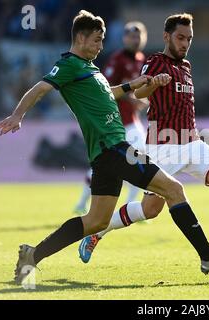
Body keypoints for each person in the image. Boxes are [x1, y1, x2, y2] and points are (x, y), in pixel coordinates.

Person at [0, 10, 209, 285]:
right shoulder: (68, 66)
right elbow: (39, 89)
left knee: (96, 221)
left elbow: (107, 93)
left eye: (102, 41)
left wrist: (131, 85)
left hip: (107, 153)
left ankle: (33, 255)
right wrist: (18, 115)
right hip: (113, 148)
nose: (100, 46)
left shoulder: (90, 68)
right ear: (80, 38)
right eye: (96, 41)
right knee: (174, 189)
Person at [79, 13, 209, 265]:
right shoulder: (155, 62)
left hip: (192, 143)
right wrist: (154, 84)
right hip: (163, 147)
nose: (185, 43)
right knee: (149, 210)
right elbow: (140, 91)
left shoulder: (186, 66)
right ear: (167, 36)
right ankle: (96, 233)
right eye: (180, 38)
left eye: (189, 39)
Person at [74, 21, 149, 214]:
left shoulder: (141, 60)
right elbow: (106, 88)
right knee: (132, 159)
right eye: (132, 36)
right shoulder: (117, 59)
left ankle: (129, 207)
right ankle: (86, 204)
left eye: (138, 36)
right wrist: (131, 99)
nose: (135, 39)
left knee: (137, 159)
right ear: (124, 38)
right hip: (115, 119)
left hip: (132, 120)